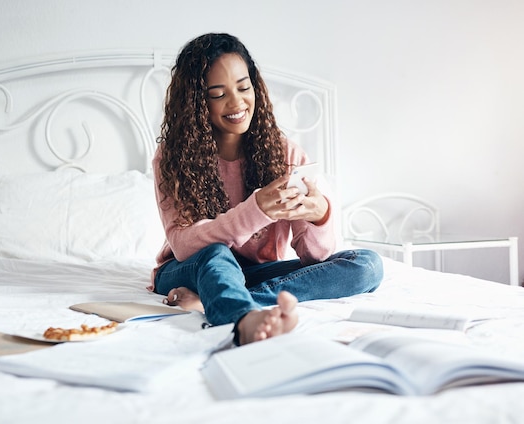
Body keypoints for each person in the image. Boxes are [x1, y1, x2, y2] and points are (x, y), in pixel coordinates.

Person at [149, 33, 383, 346]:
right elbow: (183, 245)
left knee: (366, 264)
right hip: (188, 269)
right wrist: (257, 209)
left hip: (257, 273)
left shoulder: (284, 153)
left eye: (243, 87)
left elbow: (315, 260)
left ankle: (222, 300)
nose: (236, 102)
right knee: (215, 254)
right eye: (218, 94)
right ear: (196, 100)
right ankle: (242, 319)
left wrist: (319, 215)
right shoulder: (172, 156)